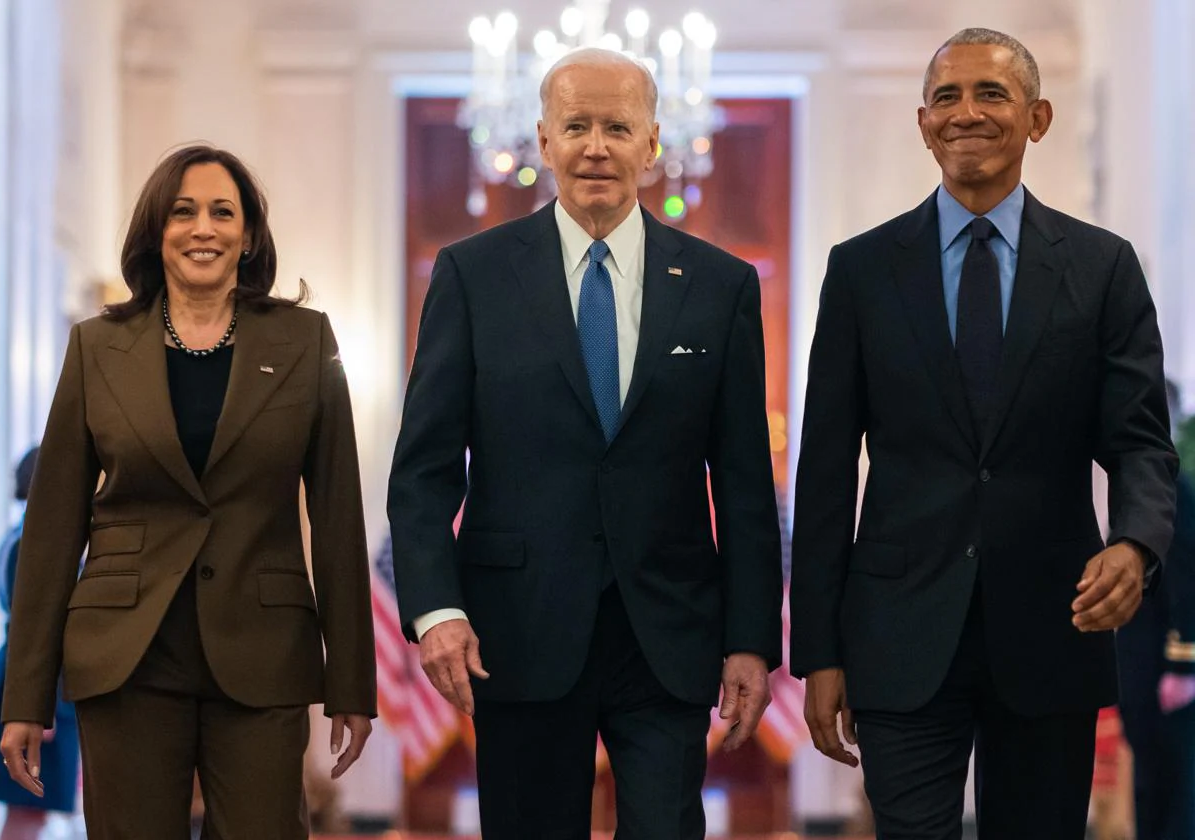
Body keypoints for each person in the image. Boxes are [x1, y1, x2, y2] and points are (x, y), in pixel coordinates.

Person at [789, 27, 1177, 840]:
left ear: (1037, 119)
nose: (966, 112)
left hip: (1053, 626)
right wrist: (818, 652)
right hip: (897, 633)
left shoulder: (1103, 268)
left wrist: (1137, 544)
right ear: (923, 123)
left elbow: (1140, 440)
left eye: (990, 93)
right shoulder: (860, 271)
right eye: (947, 97)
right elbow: (825, 470)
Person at [387, 47, 783, 839]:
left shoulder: (721, 285)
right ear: (543, 140)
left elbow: (743, 481)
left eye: (616, 126)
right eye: (576, 126)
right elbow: (426, 469)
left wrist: (750, 643)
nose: (595, 145)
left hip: (667, 636)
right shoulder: (471, 276)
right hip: (518, 632)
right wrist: (435, 610)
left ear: (652, 143)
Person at [0, 144, 377, 838]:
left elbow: (338, 517)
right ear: (156, 231)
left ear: (249, 234)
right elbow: (53, 528)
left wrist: (353, 684)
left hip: (263, 653)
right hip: (126, 654)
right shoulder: (96, 347)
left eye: (222, 212)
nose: (203, 228)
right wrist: (24, 696)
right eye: (183, 212)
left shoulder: (305, 340)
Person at [1117, 378, 1195, 840]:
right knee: (1149, 784)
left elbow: (1187, 581)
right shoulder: (1140, 485)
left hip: (1165, 671)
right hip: (1139, 664)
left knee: (1175, 791)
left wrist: (1181, 665)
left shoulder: (1171, 488)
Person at [0, 448, 79, 839]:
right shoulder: (31, 541)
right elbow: (33, 630)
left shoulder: (26, 535)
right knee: (29, 809)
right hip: (37, 686)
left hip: (41, 685)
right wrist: (36, 703)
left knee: (33, 811)